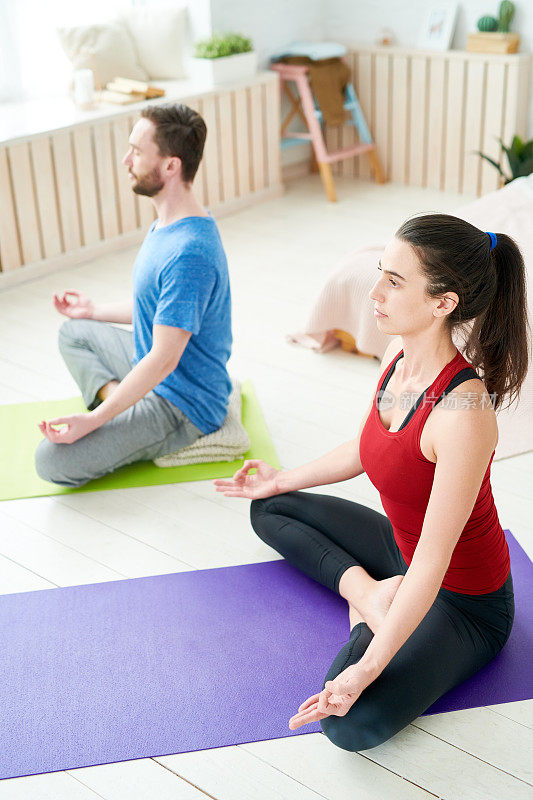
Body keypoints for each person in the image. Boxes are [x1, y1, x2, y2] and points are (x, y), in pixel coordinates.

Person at [214, 214, 530, 751]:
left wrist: (369, 662)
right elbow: (368, 449)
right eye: (381, 273)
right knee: (269, 506)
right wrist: (279, 478)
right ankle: (368, 592)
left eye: (394, 281)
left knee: (346, 722)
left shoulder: (464, 412)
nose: (374, 292)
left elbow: (433, 566)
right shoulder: (397, 354)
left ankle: (373, 607)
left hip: (463, 600)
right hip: (405, 555)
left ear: (443, 303)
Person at [35, 103, 232, 487]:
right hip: (154, 365)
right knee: (74, 332)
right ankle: (122, 398)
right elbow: (157, 313)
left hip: (184, 404)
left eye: (138, 152)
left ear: (171, 166)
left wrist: (96, 419)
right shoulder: (169, 222)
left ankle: (120, 405)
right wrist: (92, 310)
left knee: (51, 461)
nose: (127, 160)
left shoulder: (189, 252)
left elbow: (162, 359)